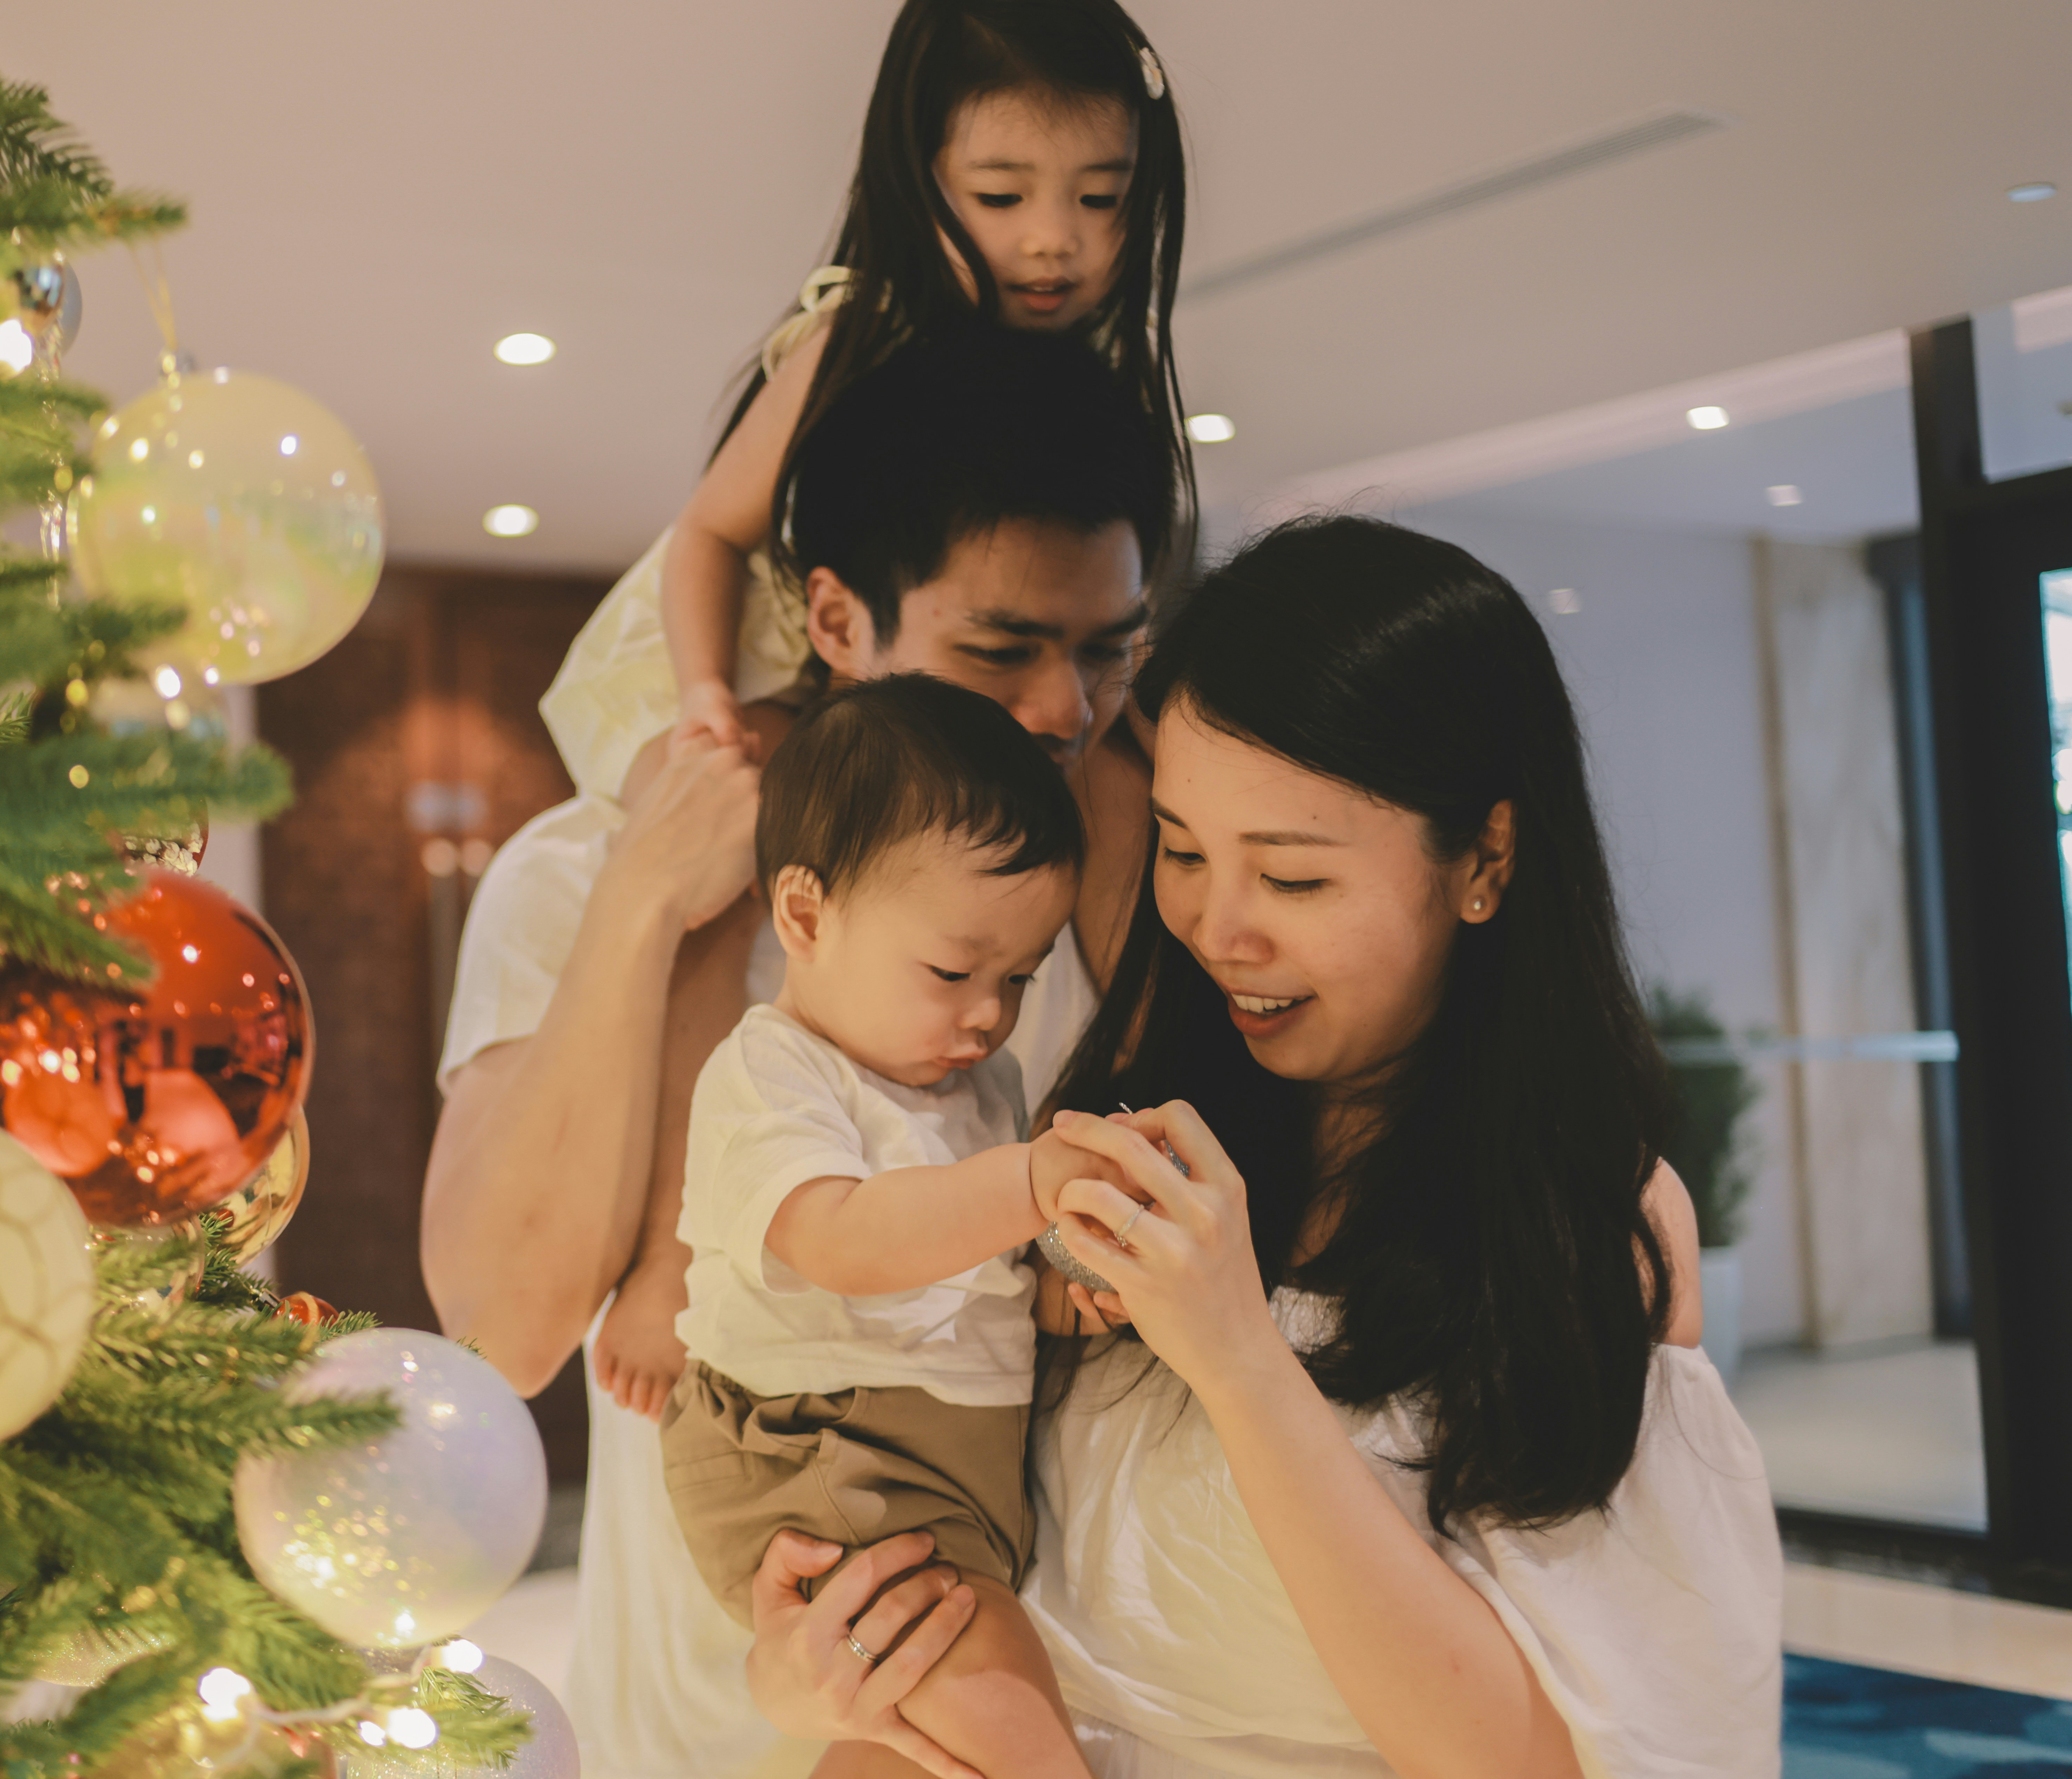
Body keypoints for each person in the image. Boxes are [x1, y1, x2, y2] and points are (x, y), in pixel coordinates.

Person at [744, 518, 1783, 1779]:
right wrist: (821, 1661)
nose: (1216, 927)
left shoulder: (1586, 1229)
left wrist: (1240, 1359)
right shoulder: (1123, 1142)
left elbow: (1553, 1757)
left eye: (1292, 879)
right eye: (1183, 849)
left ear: (1486, 860)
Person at [421, 327, 1164, 1779]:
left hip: (1077, 1687)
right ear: (834, 619)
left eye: (1106, 649)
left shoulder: (1119, 867)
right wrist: (644, 901)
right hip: (715, 1714)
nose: (1060, 712)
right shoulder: (581, 875)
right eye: (999, 648)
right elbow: (499, 1328)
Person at [536, 0, 1193, 802]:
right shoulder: (863, 335)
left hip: (881, 685)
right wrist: (705, 694)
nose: (1053, 239)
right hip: (731, 668)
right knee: (722, 802)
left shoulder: (1098, 364)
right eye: (1001, 197)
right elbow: (708, 532)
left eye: (1101, 198)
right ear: (918, 187)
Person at [663, 675, 1113, 1779]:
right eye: (954, 970)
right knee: (1010, 1721)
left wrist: (1058, 1264)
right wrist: (1030, 1185)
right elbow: (845, 1243)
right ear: (806, 915)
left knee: (911, 1745)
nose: (988, 1013)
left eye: (1019, 977)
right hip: (829, 1452)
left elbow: (986, 1266)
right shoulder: (773, 1071)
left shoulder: (981, 1081)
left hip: (934, 1461)